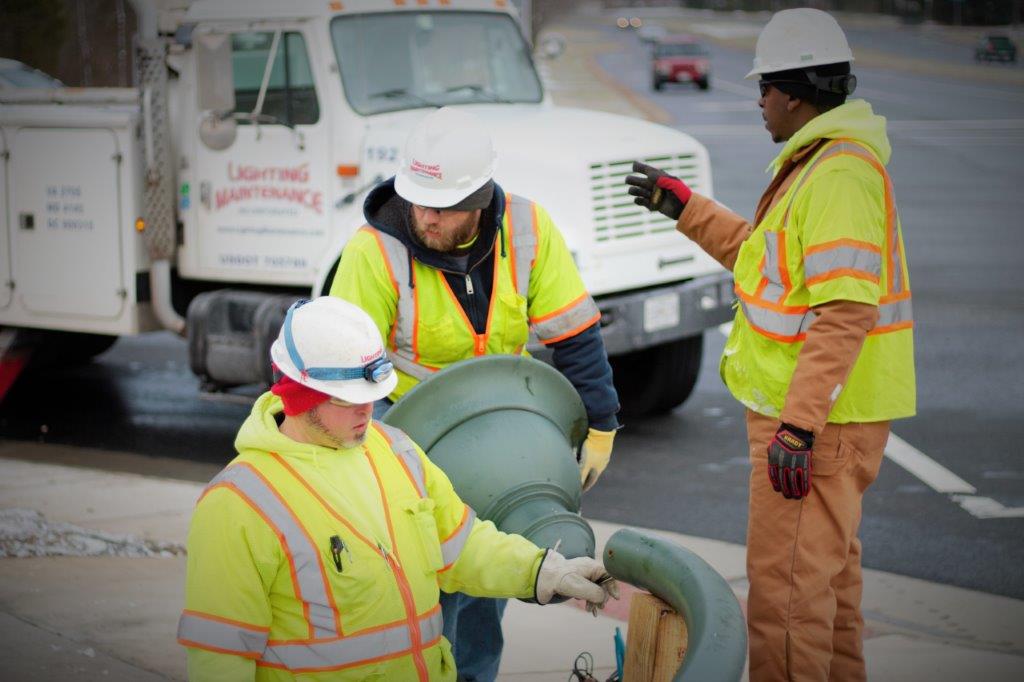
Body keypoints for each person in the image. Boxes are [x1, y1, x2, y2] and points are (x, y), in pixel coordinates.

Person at [626, 8, 914, 681]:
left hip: (816, 423)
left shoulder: (838, 175)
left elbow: (844, 313)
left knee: (786, 604)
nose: (758, 103)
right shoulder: (818, 165)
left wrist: (798, 427)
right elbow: (765, 260)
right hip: (828, 420)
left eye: (764, 90)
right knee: (828, 593)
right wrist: (685, 208)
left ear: (795, 92)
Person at [177, 296, 618, 681]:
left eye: (371, 393)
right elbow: (221, 658)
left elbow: (462, 547)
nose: (367, 411)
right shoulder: (238, 505)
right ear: (299, 394)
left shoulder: (396, 450)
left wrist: (543, 571)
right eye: (347, 398)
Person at [329, 106, 620, 680]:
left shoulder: (528, 228)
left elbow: (576, 333)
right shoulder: (373, 252)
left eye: (440, 208)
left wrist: (602, 424)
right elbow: (339, 370)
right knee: (426, 584)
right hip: (407, 429)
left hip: (495, 427)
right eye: (417, 201)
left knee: (486, 573)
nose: (425, 218)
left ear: (479, 201)